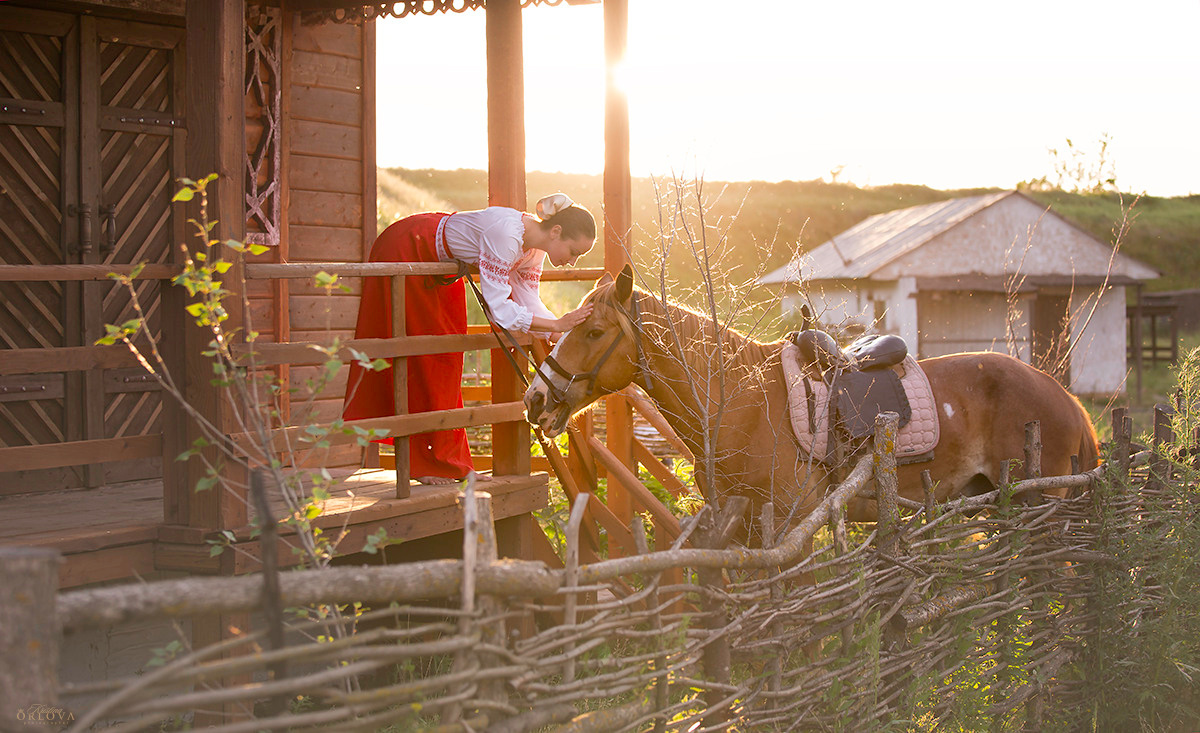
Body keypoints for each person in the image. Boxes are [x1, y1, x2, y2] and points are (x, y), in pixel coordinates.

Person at [342, 193, 596, 485]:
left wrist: (556, 332)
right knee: (421, 357)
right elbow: (499, 308)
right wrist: (555, 324)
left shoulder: (535, 250)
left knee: (447, 359)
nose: (572, 261)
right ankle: (423, 463)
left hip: (444, 265)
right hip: (410, 247)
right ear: (556, 231)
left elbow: (527, 298)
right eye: (573, 251)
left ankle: (448, 461)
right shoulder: (507, 234)